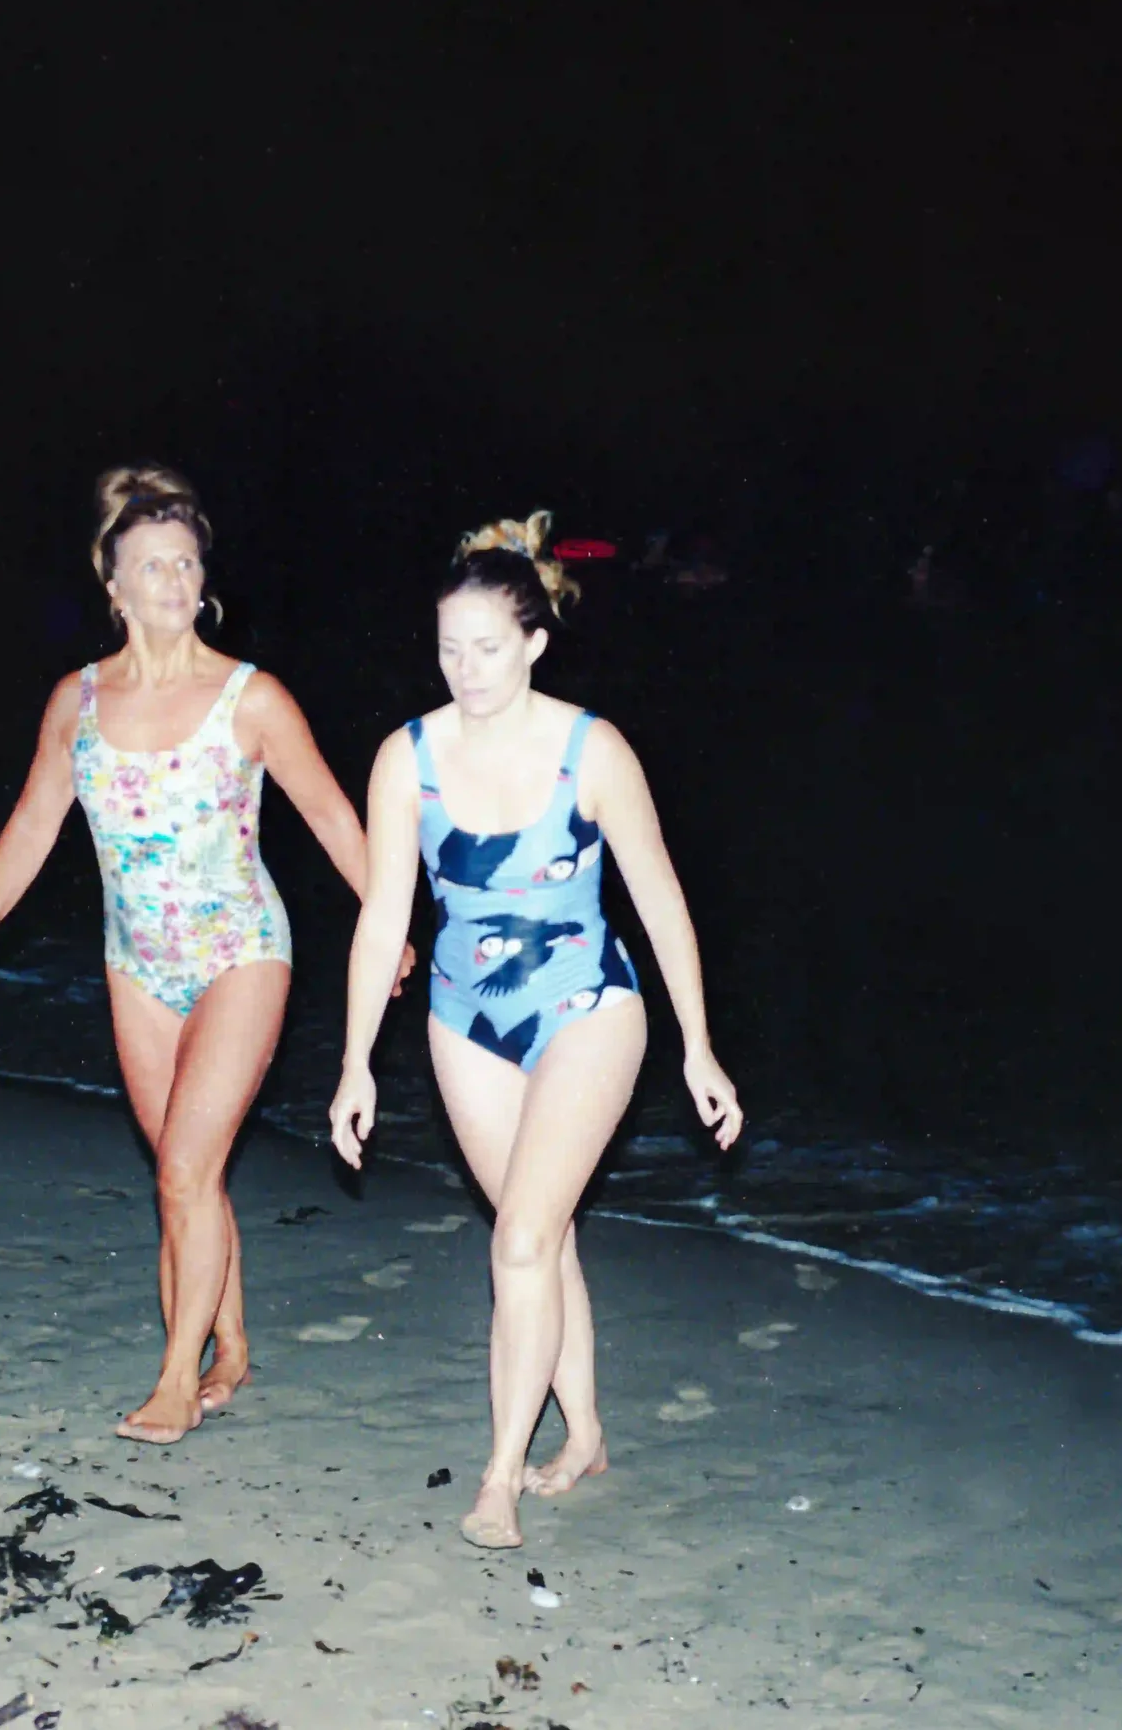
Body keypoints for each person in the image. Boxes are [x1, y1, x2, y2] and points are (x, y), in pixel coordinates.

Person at [0, 465, 409, 1444]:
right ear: (114, 588)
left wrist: (390, 926)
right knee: (192, 1171)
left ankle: (176, 1379)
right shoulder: (75, 701)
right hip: (136, 962)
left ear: (201, 579)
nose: (173, 580)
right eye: (150, 566)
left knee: (178, 1169)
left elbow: (337, 816)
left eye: (185, 563)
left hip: (239, 949)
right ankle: (234, 1346)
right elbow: (37, 816)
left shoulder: (250, 698)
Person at [327, 511, 744, 1548]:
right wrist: (353, 1063)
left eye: (487, 647)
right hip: (464, 1016)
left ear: (534, 642)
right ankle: (587, 1429)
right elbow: (384, 914)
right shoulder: (404, 757)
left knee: (516, 1239)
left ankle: (501, 1474)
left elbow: (659, 897)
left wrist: (697, 1043)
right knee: (539, 1235)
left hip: (586, 1008)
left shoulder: (590, 748)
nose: (465, 668)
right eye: (447, 648)